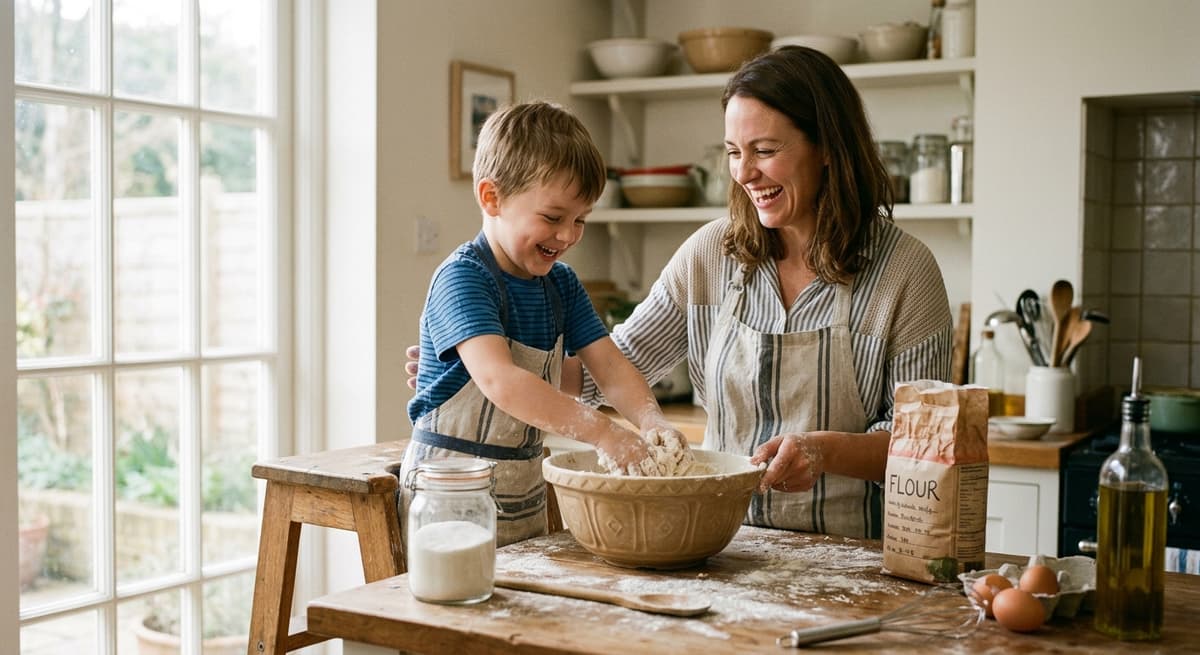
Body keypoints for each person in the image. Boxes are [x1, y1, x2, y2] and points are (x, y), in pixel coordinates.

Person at [407, 47, 951, 539]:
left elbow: (927, 445)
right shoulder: (712, 254)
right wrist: (481, 371)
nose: (746, 172)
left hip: (851, 555)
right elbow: (615, 366)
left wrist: (826, 451)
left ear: (828, 147)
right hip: (719, 542)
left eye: (764, 149)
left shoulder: (906, 272)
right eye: (735, 152)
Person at [404, 100, 687, 547]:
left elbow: (609, 368)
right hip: (450, 495)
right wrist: (604, 433)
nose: (569, 235)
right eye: (553, 217)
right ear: (491, 198)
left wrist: (651, 421)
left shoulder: (562, 285)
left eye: (581, 220)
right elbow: (501, 381)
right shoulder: (463, 278)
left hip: (524, 490)